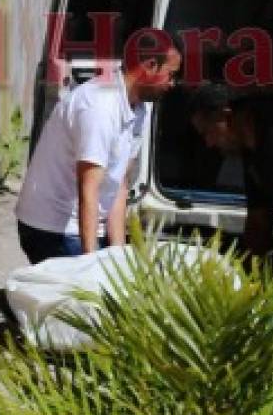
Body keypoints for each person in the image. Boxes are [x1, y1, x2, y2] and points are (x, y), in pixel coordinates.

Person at [15, 36, 181, 263]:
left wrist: (118, 251)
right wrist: (90, 265)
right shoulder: (99, 107)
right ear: (150, 66)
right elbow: (89, 190)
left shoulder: (141, 107)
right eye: (170, 74)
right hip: (52, 228)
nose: (172, 84)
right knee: (91, 294)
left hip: (85, 223)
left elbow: (119, 182)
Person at [189, 84, 273, 259]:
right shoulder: (250, 152)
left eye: (207, 132)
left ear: (225, 116)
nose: (209, 143)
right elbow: (257, 224)